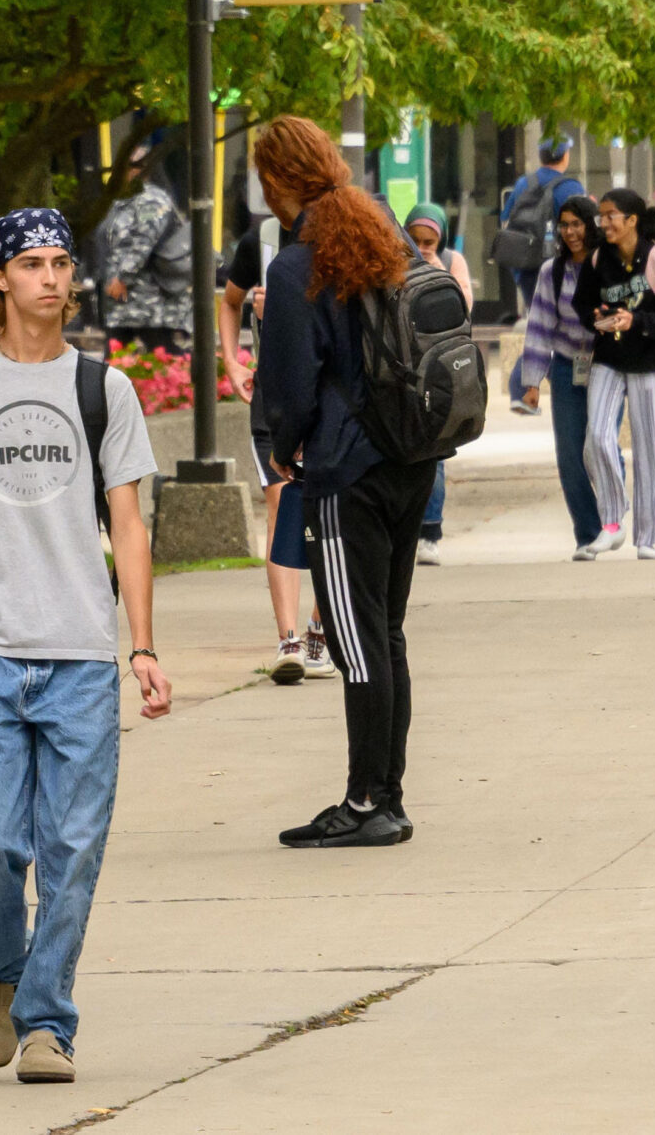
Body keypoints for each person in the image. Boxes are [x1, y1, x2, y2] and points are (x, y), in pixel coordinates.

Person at [0, 207, 165, 1085]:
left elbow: (128, 526)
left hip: (82, 656)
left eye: (61, 263)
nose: (51, 278)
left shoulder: (104, 390)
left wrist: (142, 647)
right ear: (1, 279)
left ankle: (48, 1023)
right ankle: (4, 971)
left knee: (71, 850)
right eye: (33, 264)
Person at [254, 115, 435, 851]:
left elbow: (293, 387)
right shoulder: (384, 230)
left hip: (345, 469)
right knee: (384, 633)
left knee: (356, 644)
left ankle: (366, 802)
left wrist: (281, 448)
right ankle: (386, 795)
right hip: (410, 455)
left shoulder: (295, 266)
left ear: (279, 181)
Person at [217, 208, 335, 683]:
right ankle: (288, 641)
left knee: (331, 512)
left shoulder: (342, 232)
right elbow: (230, 302)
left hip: (332, 395)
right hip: (275, 395)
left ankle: (319, 633)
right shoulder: (261, 240)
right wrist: (232, 362)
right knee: (282, 506)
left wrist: (287, 310)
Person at [574, 190, 655, 560]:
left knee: (650, 449)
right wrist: (597, 316)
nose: (603, 223)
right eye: (601, 216)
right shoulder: (597, 259)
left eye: (610, 216)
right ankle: (612, 521)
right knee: (596, 437)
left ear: (632, 220)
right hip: (608, 358)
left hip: (649, 361)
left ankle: (648, 536)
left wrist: (634, 320)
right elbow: (582, 304)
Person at [515, 197, 605, 558]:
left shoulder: (607, 265)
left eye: (577, 224)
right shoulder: (551, 272)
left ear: (591, 225)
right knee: (570, 455)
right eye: (564, 225)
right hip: (568, 367)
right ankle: (588, 534)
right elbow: (539, 327)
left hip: (607, 367)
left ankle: (612, 516)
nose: (570, 232)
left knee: (599, 446)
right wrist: (532, 382)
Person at [402, 203, 472, 567]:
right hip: (407, 371)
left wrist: (436, 272)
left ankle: (430, 531)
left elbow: (464, 307)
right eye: (415, 240)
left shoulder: (450, 261)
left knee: (437, 453)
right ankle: (408, 529)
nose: (422, 247)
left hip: (440, 371)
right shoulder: (397, 261)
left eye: (429, 241)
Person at [495, 134, 584, 410]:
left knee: (540, 328)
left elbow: (505, 218)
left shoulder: (524, 182)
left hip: (525, 266)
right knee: (556, 331)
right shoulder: (570, 187)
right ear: (565, 155)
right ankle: (524, 388)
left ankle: (524, 390)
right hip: (557, 269)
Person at [92, 149, 191, 353]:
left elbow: (144, 241)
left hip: (150, 300)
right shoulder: (121, 200)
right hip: (121, 303)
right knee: (116, 357)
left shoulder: (152, 200)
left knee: (162, 354)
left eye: (134, 165)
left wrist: (123, 277)